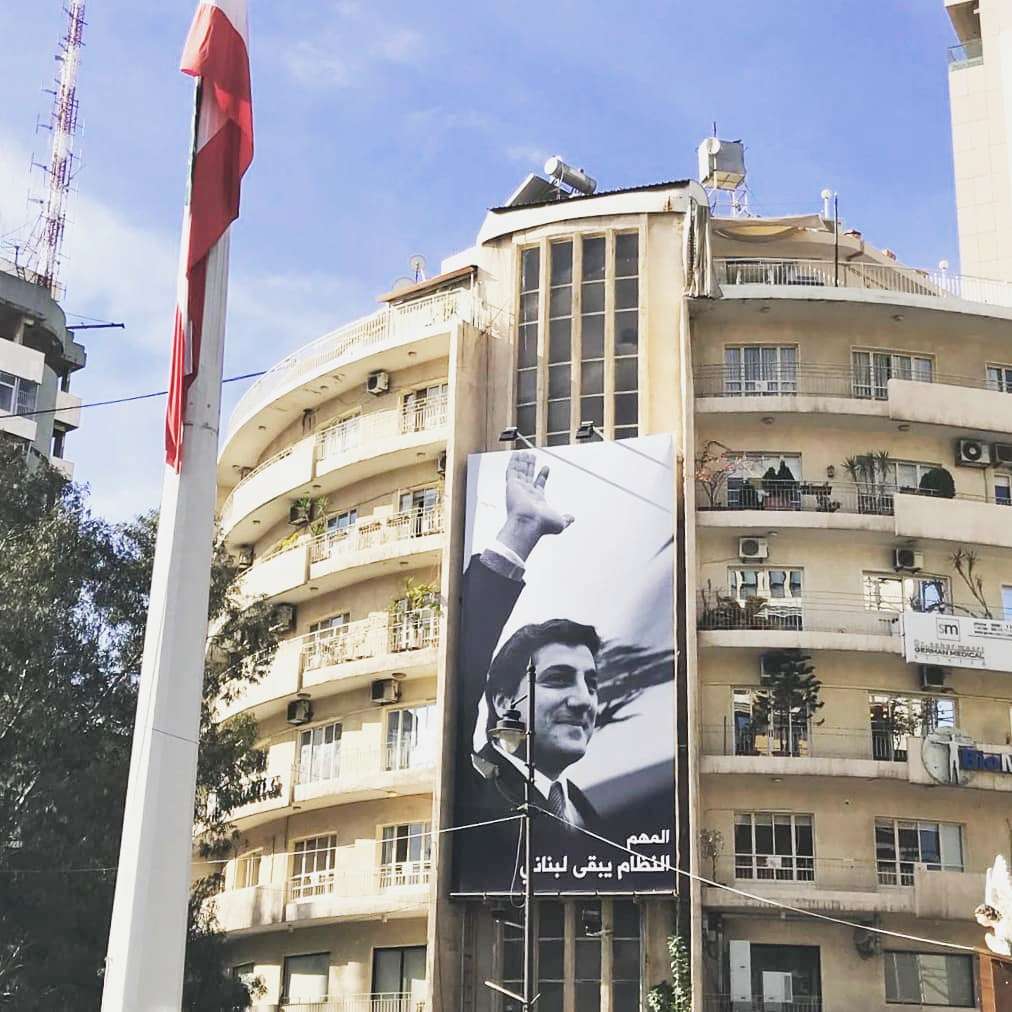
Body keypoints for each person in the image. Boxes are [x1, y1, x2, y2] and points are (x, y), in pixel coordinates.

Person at [457, 450, 603, 833]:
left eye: (591, 684)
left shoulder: (589, 814)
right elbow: (462, 665)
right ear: (504, 699)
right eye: (557, 679)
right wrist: (521, 529)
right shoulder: (473, 780)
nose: (583, 700)